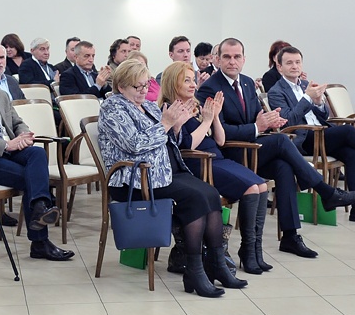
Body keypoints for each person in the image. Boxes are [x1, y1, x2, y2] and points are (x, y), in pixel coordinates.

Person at [197, 38, 355, 259]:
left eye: (237, 56)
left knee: (283, 167)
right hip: (233, 153)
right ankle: (326, 192)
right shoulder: (210, 87)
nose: (232, 61)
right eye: (227, 57)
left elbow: (256, 119)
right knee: (281, 141)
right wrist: (256, 126)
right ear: (217, 60)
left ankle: (290, 236)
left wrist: (268, 120)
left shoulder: (248, 83)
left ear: (244, 59)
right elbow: (219, 132)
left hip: (254, 147)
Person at [99, 58, 245, 296]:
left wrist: (175, 128)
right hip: (135, 178)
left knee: (209, 194)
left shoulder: (147, 106)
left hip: (163, 172)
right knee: (195, 199)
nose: (144, 91)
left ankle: (216, 265)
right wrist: (166, 123)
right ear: (122, 86)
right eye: (138, 87)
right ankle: (194, 272)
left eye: (146, 85)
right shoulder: (113, 107)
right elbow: (136, 145)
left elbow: (169, 142)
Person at [268, 46, 355, 225]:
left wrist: (320, 103)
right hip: (303, 139)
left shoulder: (305, 85)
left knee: (352, 154)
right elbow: (289, 122)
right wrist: (306, 98)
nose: (294, 66)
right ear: (279, 67)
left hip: (321, 133)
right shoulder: (276, 91)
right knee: (348, 130)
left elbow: (324, 117)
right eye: (289, 63)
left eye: (297, 62)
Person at [0, 50, 72, 261]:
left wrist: (23, 136)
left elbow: (17, 122)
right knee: (33, 179)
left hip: (10, 151)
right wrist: (6, 144)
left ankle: (39, 208)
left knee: (36, 153)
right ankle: (40, 238)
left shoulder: (0, 95)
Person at [160, 61, 272, 274]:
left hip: (217, 158)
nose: (193, 85)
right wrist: (206, 122)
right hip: (199, 163)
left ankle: (254, 249)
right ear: (173, 83)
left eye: (193, 80)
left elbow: (220, 140)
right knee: (250, 189)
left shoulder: (195, 105)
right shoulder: (170, 108)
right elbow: (186, 145)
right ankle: (247, 252)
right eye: (186, 80)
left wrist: (215, 118)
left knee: (262, 186)